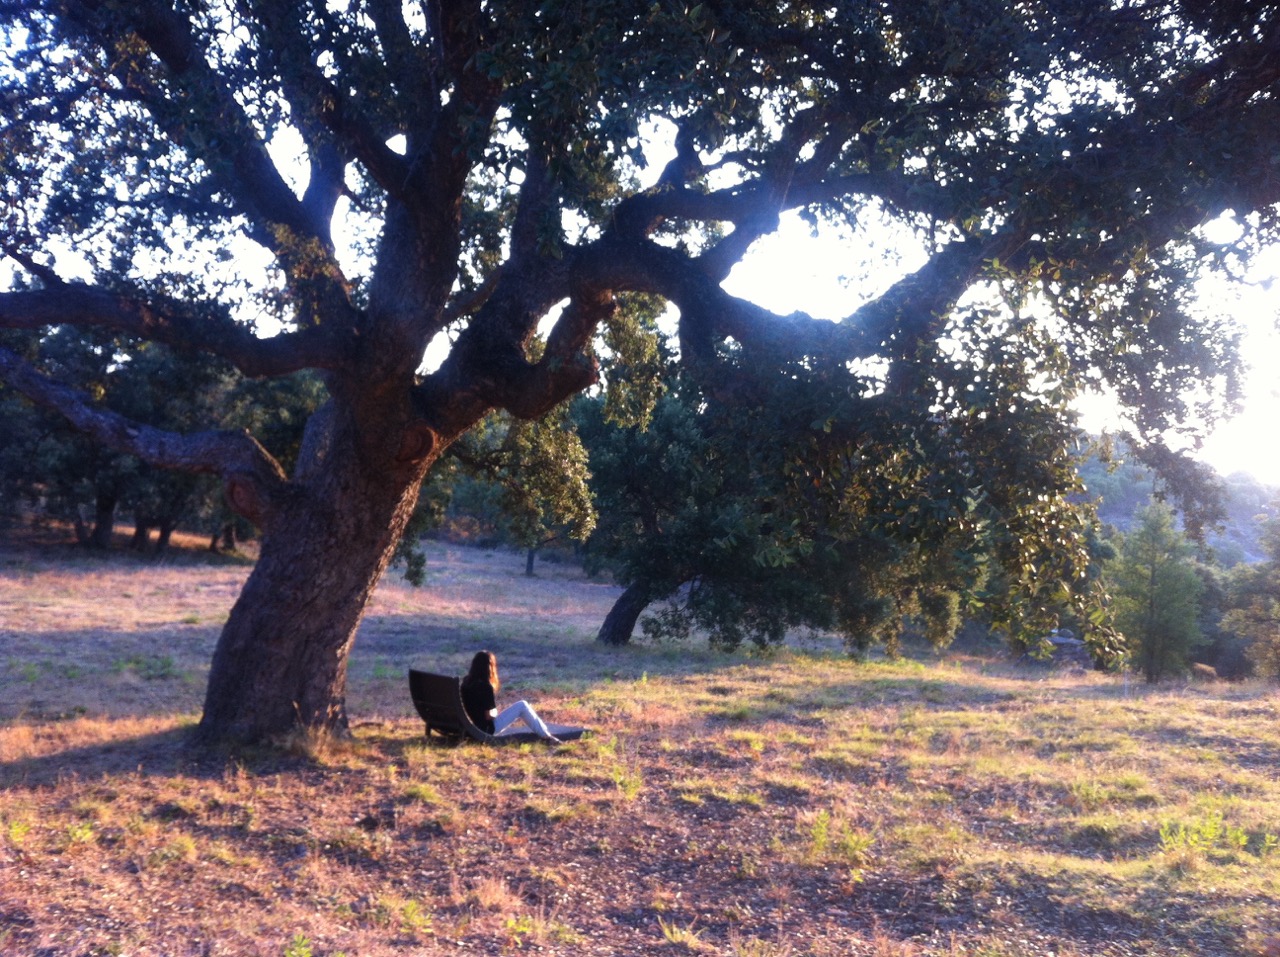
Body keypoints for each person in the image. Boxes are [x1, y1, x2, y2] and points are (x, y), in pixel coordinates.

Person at [460, 650, 561, 743]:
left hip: (474, 726)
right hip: (487, 729)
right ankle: (546, 736)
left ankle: (545, 734)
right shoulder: (485, 687)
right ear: (489, 667)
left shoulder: (466, 683)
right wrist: (495, 712)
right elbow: (489, 716)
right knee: (522, 705)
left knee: (520, 706)